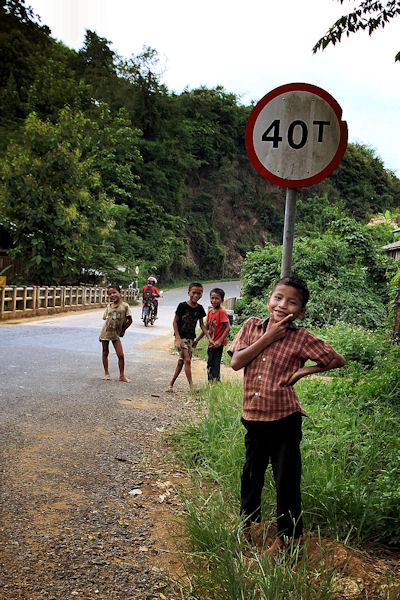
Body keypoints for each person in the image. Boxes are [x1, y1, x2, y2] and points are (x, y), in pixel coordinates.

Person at [228, 276, 345, 555]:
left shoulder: (301, 338)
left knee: (286, 480)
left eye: (292, 302)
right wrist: (268, 337)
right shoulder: (251, 327)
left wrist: (304, 371)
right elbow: (235, 362)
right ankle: (249, 526)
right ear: (269, 299)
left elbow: (336, 359)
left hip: (284, 420)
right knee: (251, 475)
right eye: (278, 298)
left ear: (301, 312)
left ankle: (287, 539)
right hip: (254, 418)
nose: (282, 305)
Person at [167, 282, 211, 392]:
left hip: (190, 338)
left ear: (202, 294)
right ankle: (192, 387)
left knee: (182, 361)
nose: (196, 295)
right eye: (194, 292)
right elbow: (175, 322)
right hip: (181, 338)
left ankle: (171, 384)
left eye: (199, 293)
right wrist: (177, 339)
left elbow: (202, 325)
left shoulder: (200, 308)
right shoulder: (182, 306)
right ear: (188, 293)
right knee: (187, 360)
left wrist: (209, 339)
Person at [195, 287, 230, 382]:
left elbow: (228, 328)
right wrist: (197, 340)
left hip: (218, 344)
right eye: (212, 298)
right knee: (210, 363)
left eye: (216, 298)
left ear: (222, 300)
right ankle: (211, 383)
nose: (213, 300)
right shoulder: (210, 312)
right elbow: (205, 328)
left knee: (215, 364)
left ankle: (215, 383)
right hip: (211, 343)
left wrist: (220, 340)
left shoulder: (222, 312)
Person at [99, 284, 132, 382]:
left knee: (120, 355)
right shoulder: (109, 306)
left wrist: (123, 330)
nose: (112, 295)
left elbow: (130, 320)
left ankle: (122, 376)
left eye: (114, 292)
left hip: (115, 334)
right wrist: (100, 335)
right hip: (105, 333)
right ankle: (106, 373)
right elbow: (105, 320)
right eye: (109, 294)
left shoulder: (125, 306)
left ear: (120, 293)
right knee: (105, 352)